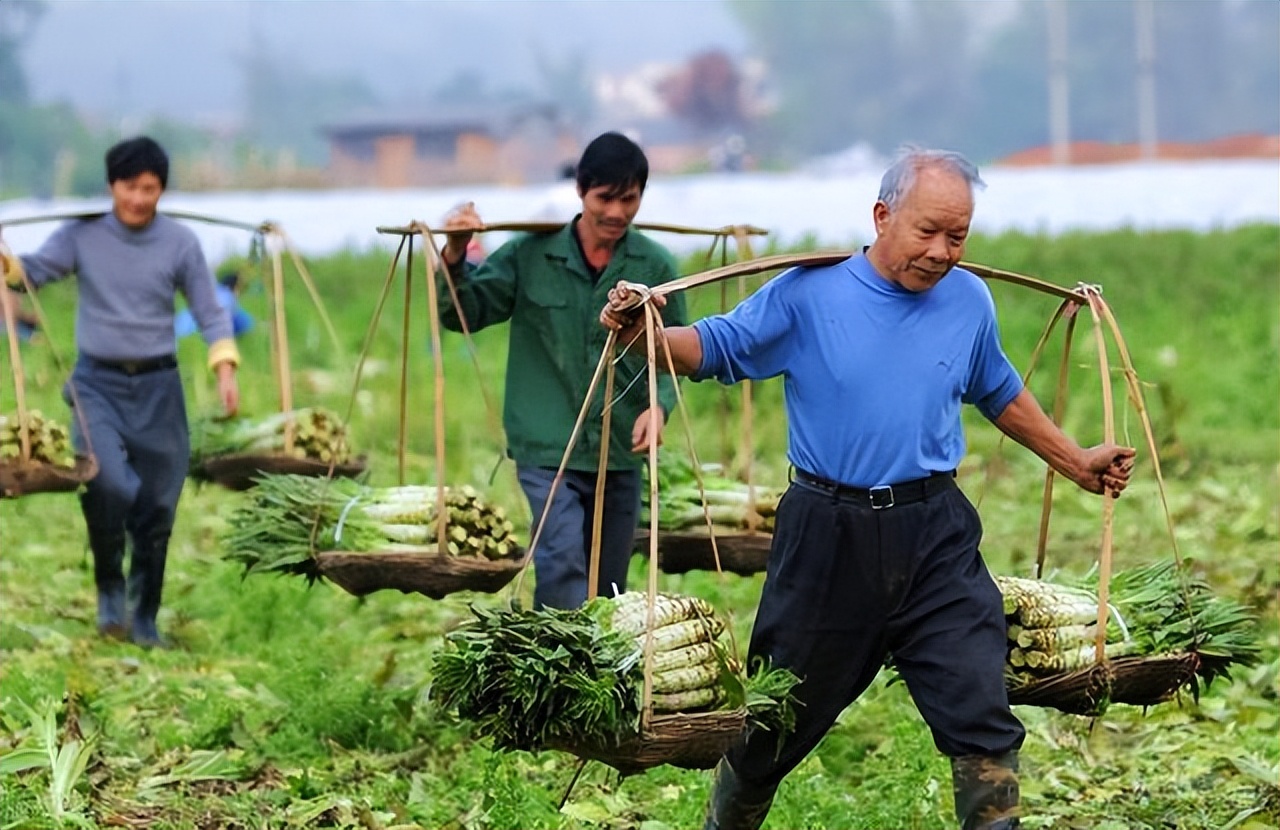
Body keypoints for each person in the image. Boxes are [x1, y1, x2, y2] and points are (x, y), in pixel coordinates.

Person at [602, 147, 1135, 830]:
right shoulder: (809, 293)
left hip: (934, 530)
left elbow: (997, 390)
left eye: (958, 236)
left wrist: (1075, 460)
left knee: (979, 707)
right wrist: (643, 332)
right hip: (828, 533)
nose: (942, 252)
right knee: (774, 722)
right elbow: (714, 346)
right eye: (927, 232)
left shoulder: (968, 300)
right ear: (883, 216)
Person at [1, 136, 240, 649]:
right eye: (129, 187)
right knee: (107, 484)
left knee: (157, 505)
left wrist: (225, 368)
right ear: (112, 186)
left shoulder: (179, 243)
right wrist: (7, 262)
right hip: (97, 386)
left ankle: (144, 617)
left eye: (148, 189)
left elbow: (209, 308)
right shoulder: (82, 235)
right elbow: (32, 273)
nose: (137, 199)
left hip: (159, 388)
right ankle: (110, 588)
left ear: (161, 190)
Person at [437, 131, 687, 610]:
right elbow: (463, 313)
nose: (616, 212)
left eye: (629, 199)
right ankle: (560, 655)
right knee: (562, 560)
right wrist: (455, 253)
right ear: (580, 190)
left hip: (619, 448)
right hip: (547, 445)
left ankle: (596, 657)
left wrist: (659, 406)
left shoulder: (654, 265)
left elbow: (673, 353)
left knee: (609, 587)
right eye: (604, 198)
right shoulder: (529, 254)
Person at [175, 267, 254, 339]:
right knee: (242, 320)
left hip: (180, 328)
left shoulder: (210, 291)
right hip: (199, 331)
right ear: (235, 288)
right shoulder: (228, 296)